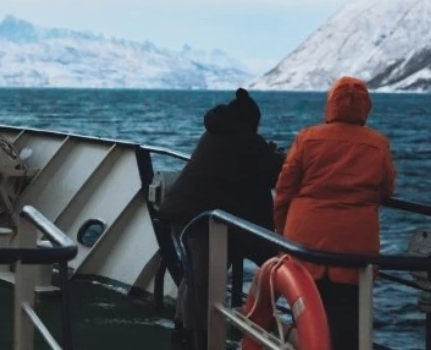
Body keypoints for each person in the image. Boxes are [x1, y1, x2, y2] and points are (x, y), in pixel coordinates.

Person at [274, 76, 396, 350]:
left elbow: (284, 190)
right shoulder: (378, 144)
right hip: (354, 246)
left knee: (306, 315)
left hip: (304, 241)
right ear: (366, 107)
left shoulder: (307, 138)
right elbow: (387, 189)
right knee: (347, 322)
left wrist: (282, 232)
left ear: (331, 104)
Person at [157, 88, 285, 346]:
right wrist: (279, 156)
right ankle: (195, 337)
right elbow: (270, 172)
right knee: (202, 280)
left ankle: (182, 329)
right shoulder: (244, 140)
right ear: (250, 122)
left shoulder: (215, 133)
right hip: (199, 217)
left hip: (182, 211)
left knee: (193, 276)